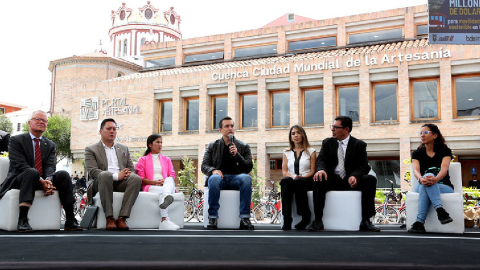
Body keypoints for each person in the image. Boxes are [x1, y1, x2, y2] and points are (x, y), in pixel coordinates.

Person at [0, 110, 82, 232]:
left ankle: (70, 219)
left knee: (63, 175)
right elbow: (20, 164)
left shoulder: (50, 144)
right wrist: (40, 180)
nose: (41, 122)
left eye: (44, 120)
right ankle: (22, 219)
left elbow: (50, 166)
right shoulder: (16, 140)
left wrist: (48, 179)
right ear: (29, 122)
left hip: (42, 180)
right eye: (38, 119)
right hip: (20, 179)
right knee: (32, 172)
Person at [309, 116, 380, 232]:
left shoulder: (359, 145)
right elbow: (321, 160)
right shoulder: (327, 143)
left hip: (350, 180)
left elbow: (364, 166)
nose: (332, 129)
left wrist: (355, 175)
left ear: (346, 129)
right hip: (333, 179)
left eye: (336, 127)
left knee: (370, 179)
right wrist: (321, 169)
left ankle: (366, 221)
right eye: (332, 127)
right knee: (318, 179)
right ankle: (318, 221)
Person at [85, 118, 141, 231]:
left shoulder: (123, 148)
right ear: (101, 131)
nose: (112, 131)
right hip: (100, 183)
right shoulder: (91, 149)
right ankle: (109, 218)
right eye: (109, 128)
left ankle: (122, 218)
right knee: (106, 175)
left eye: (114, 129)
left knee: (136, 178)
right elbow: (93, 171)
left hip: (120, 183)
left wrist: (127, 174)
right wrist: (116, 176)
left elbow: (131, 169)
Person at [201, 116, 254, 230]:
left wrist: (237, 155)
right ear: (220, 130)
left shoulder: (243, 146)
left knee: (246, 178)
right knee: (214, 178)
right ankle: (213, 217)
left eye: (232, 126)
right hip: (219, 179)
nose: (230, 128)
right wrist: (213, 170)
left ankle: (245, 218)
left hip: (236, 179)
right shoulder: (212, 146)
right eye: (227, 126)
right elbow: (204, 166)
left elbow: (248, 167)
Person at [408, 124, 454, 233]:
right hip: (421, 184)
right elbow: (415, 170)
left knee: (429, 181)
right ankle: (440, 210)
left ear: (435, 135)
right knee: (426, 181)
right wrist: (420, 179)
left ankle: (419, 223)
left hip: (445, 186)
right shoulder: (417, 153)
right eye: (421, 133)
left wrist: (436, 179)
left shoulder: (445, 151)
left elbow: (444, 169)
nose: (422, 135)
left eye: (426, 132)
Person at [135, 134, 180, 230]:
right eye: (157, 142)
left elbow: (172, 175)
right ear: (150, 145)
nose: (160, 144)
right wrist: (154, 182)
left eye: (161, 142)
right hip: (151, 186)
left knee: (169, 180)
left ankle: (166, 196)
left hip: (166, 184)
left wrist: (164, 182)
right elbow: (140, 177)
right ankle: (164, 219)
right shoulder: (143, 160)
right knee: (161, 192)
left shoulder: (167, 159)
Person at [280, 125, 316, 230]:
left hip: (306, 180)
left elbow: (313, 171)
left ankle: (305, 216)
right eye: (293, 133)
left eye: (298, 133)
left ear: (303, 135)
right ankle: (287, 218)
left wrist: (302, 177)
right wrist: (292, 177)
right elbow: (284, 171)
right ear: (290, 137)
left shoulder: (311, 151)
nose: (296, 135)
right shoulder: (286, 152)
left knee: (299, 181)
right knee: (286, 180)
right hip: (291, 180)